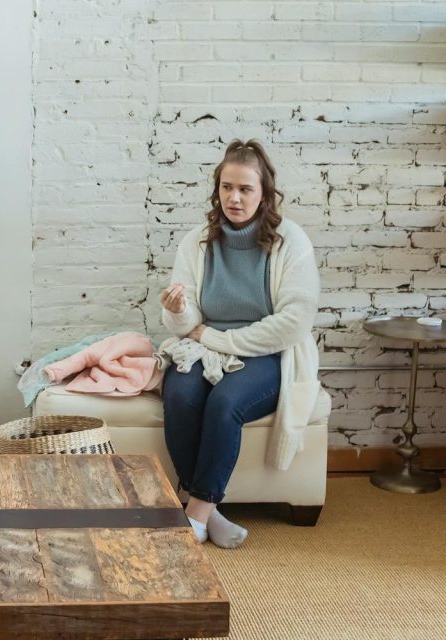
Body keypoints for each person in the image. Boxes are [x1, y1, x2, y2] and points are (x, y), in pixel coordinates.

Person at [159, 139, 320, 549]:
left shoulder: (290, 241)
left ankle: (194, 515)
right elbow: (185, 322)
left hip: (267, 351)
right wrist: (177, 311)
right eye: (227, 187)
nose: (234, 197)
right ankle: (210, 512)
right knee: (179, 396)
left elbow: (293, 323)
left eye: (245, 189)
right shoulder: (197, 241)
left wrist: (215, 337)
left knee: (225, 403)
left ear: (264, 193)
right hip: (203, 346)